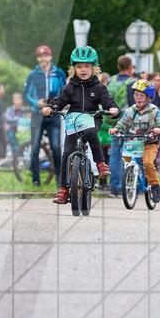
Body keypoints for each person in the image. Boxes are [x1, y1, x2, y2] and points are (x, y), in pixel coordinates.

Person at [42, 46, 120, 204]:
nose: (83, 70)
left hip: (92, 118)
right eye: (79, 67)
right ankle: (64, 189)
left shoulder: (99, 88)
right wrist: (51, 108)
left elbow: (109, 102)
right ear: (74, 69)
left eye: (87, 66)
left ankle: (100, 163)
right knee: (67, 153)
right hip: (74, 120)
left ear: (93, 68)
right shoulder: (69, 87)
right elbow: (59, 101)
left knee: (90, 131)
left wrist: (113, 109)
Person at [109, 79, 160, 202]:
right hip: (134, 142)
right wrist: (116, 129)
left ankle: (155, 186)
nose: (138, 98)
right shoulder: (131, 110)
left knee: (148, 163)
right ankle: (131, 175)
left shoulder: (154, 110)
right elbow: (123, 122)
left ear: (148, 98)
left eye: (141, 96)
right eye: (136, 95)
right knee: (125, 158)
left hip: (149, 143)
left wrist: (159, 128)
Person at [23, 45, 67, 187]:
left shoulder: (58, 73)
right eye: (40, 56)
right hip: (37, 115)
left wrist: (57, 103)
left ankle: (59, 178)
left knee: (56, 147)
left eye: (46, 56)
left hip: (54, 115)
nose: (43, 59)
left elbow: (64, 91)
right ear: (37, 58)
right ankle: (36, 180)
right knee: (35, 148)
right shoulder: (32, 75)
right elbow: (25, 94)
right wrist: (36, 103)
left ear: (50, 57)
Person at [106, 55, 136, 196]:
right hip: (128, 123)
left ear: (118, 67)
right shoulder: (132, 83)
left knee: (114, 155)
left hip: (113, 122)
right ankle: (122, 186)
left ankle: (113, 187)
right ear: (130, 67)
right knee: (126, 155)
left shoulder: (110, 80)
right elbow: (133, 104)